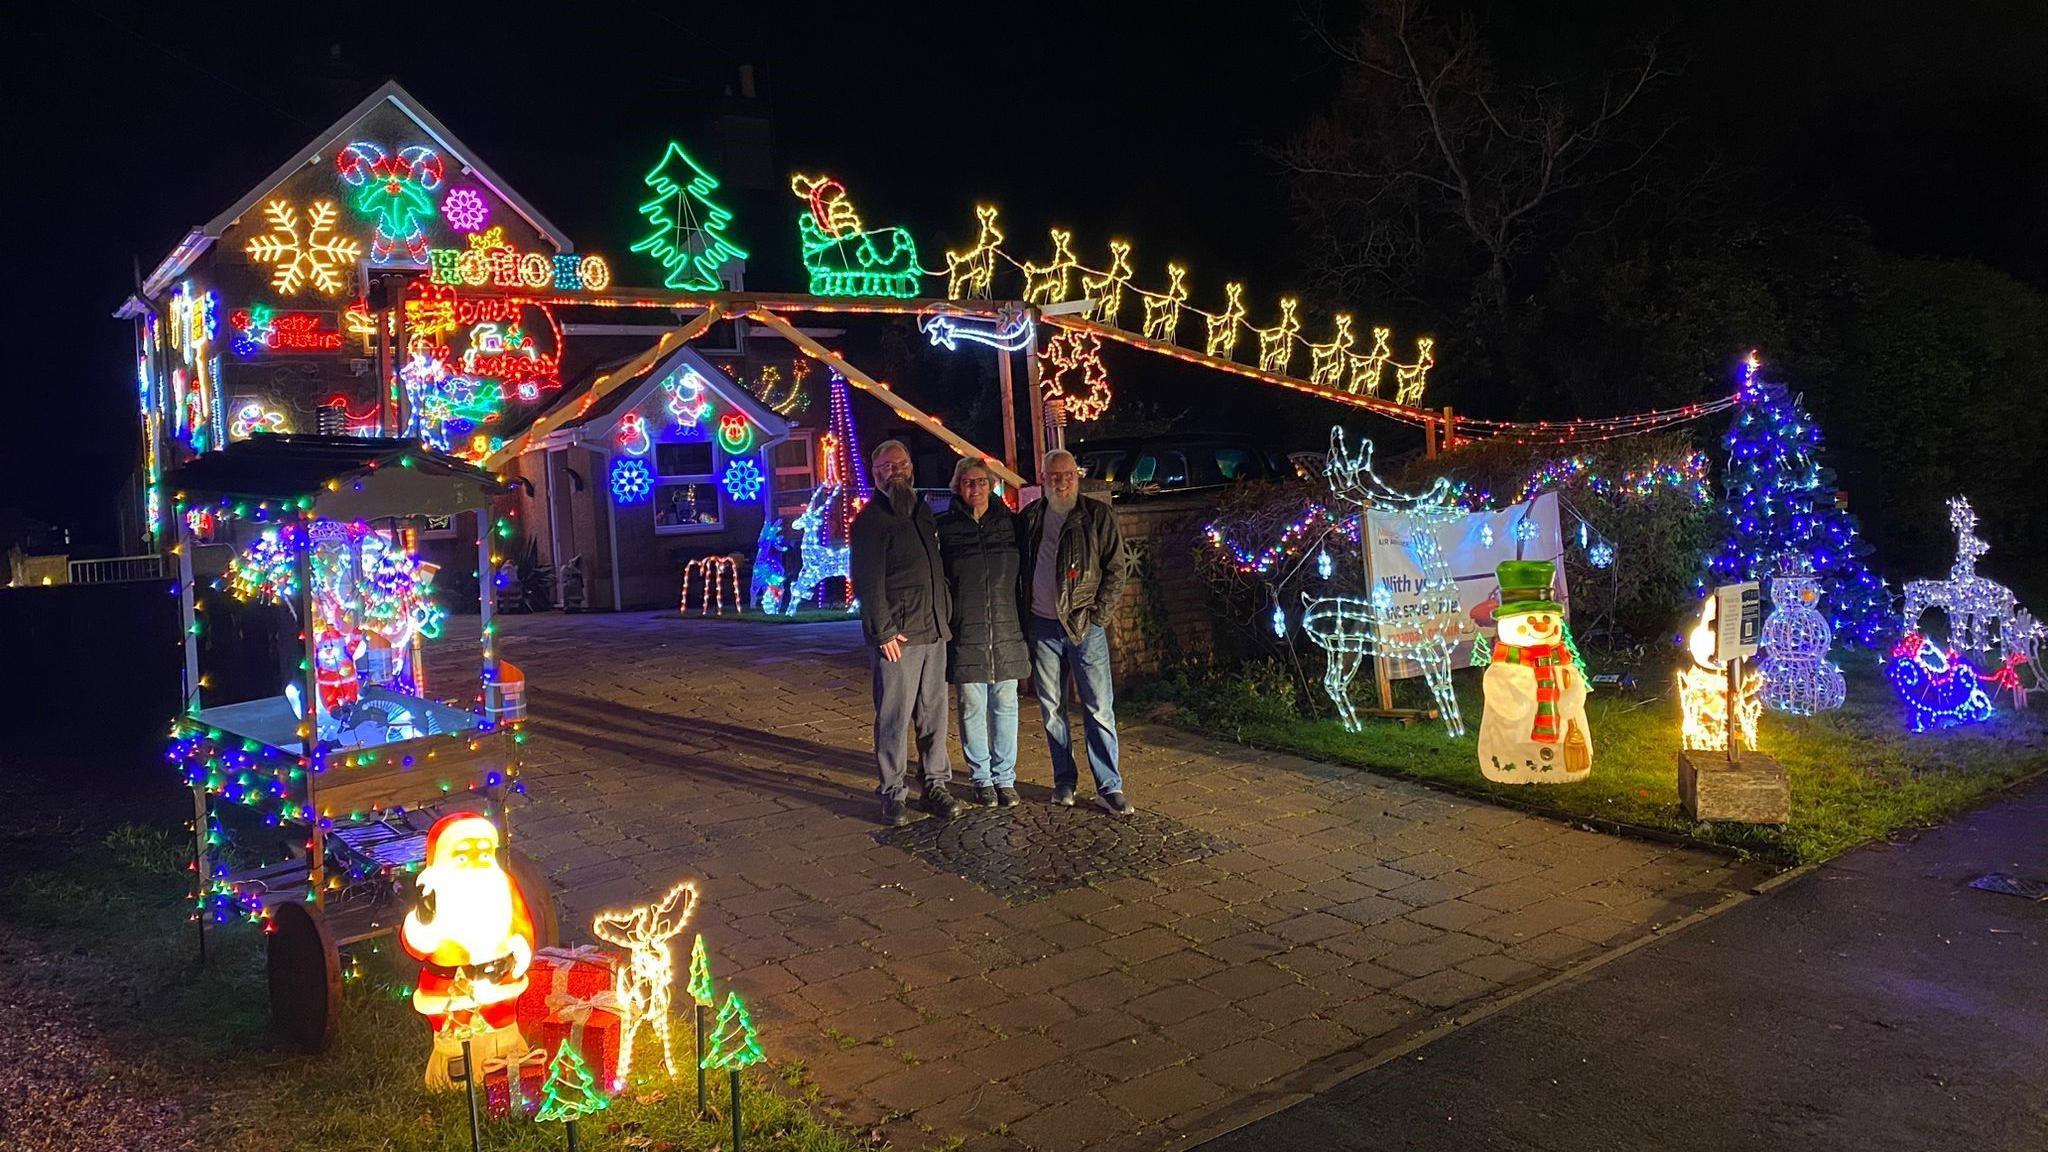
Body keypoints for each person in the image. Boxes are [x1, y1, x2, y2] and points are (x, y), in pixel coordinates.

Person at [1020, 448, 1134, 815]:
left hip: (1085, 626)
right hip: (1042, 625)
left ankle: (1109, 786)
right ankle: (1064, 780)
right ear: (1043, 479)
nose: (1062, 481)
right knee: (1052, 709)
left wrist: (1098, 616)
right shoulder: (1030, 518)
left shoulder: (1096, 515)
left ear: (1077, 476)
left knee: (1098, 708)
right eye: (1054, 476)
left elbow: (1116, 571)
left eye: (1068, 474)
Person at [849, 440, 957, 825]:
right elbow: (868, 582)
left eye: (899, 465)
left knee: (934, 716)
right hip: (898, 637)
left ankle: (935, 785)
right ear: (875, 474)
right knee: (894, 717)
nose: (893, 472)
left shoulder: (922, 511)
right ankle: (893, 791)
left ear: (911, 467)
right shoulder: (869, 521)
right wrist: (883, 633)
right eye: (884, 468)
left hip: (933, 631)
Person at [936, 457, 1029, 809]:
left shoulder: (1011, 524)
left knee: (1006, 704)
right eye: (967, 482)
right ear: (957, 487)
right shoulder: (945, 527)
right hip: (966, 629)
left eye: (980, 481)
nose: (974, 488)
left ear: (991, 484)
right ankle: (981, 778)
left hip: (1007, 626)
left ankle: (1006, 778)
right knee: (972, 705)